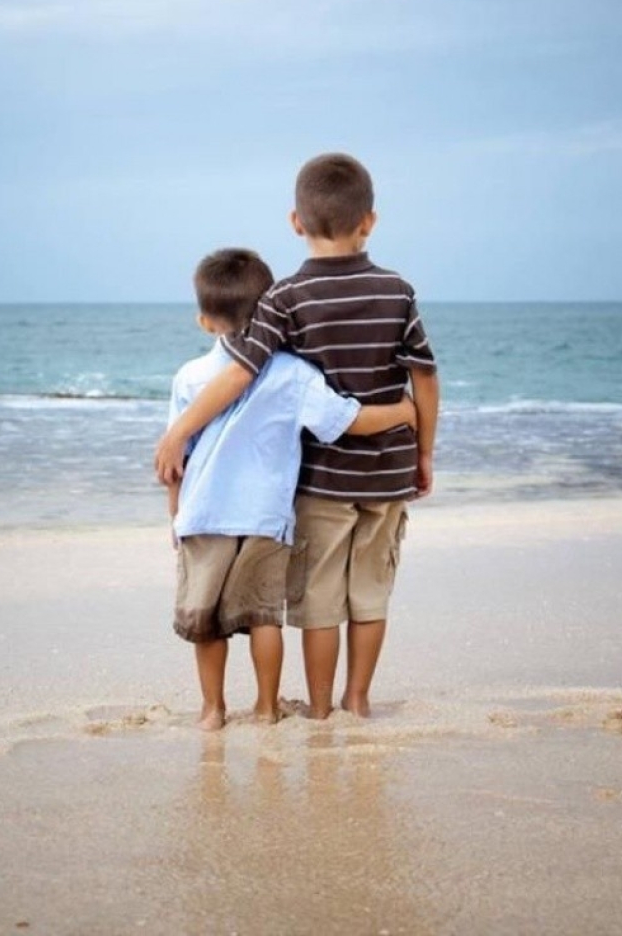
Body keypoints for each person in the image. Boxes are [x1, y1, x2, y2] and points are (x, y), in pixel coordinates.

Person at [157, 155, 440, 720]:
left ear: (295, 222)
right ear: (370, 221)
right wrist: (423, 445)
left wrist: (178, 434)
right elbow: (425, 376)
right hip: (386, 474)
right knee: (370, 595)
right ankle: (355, 700)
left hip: (323, 480)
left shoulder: (286, 299)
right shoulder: (398, 290)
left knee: (318, 604)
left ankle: (315, 707)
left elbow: (239, 374)